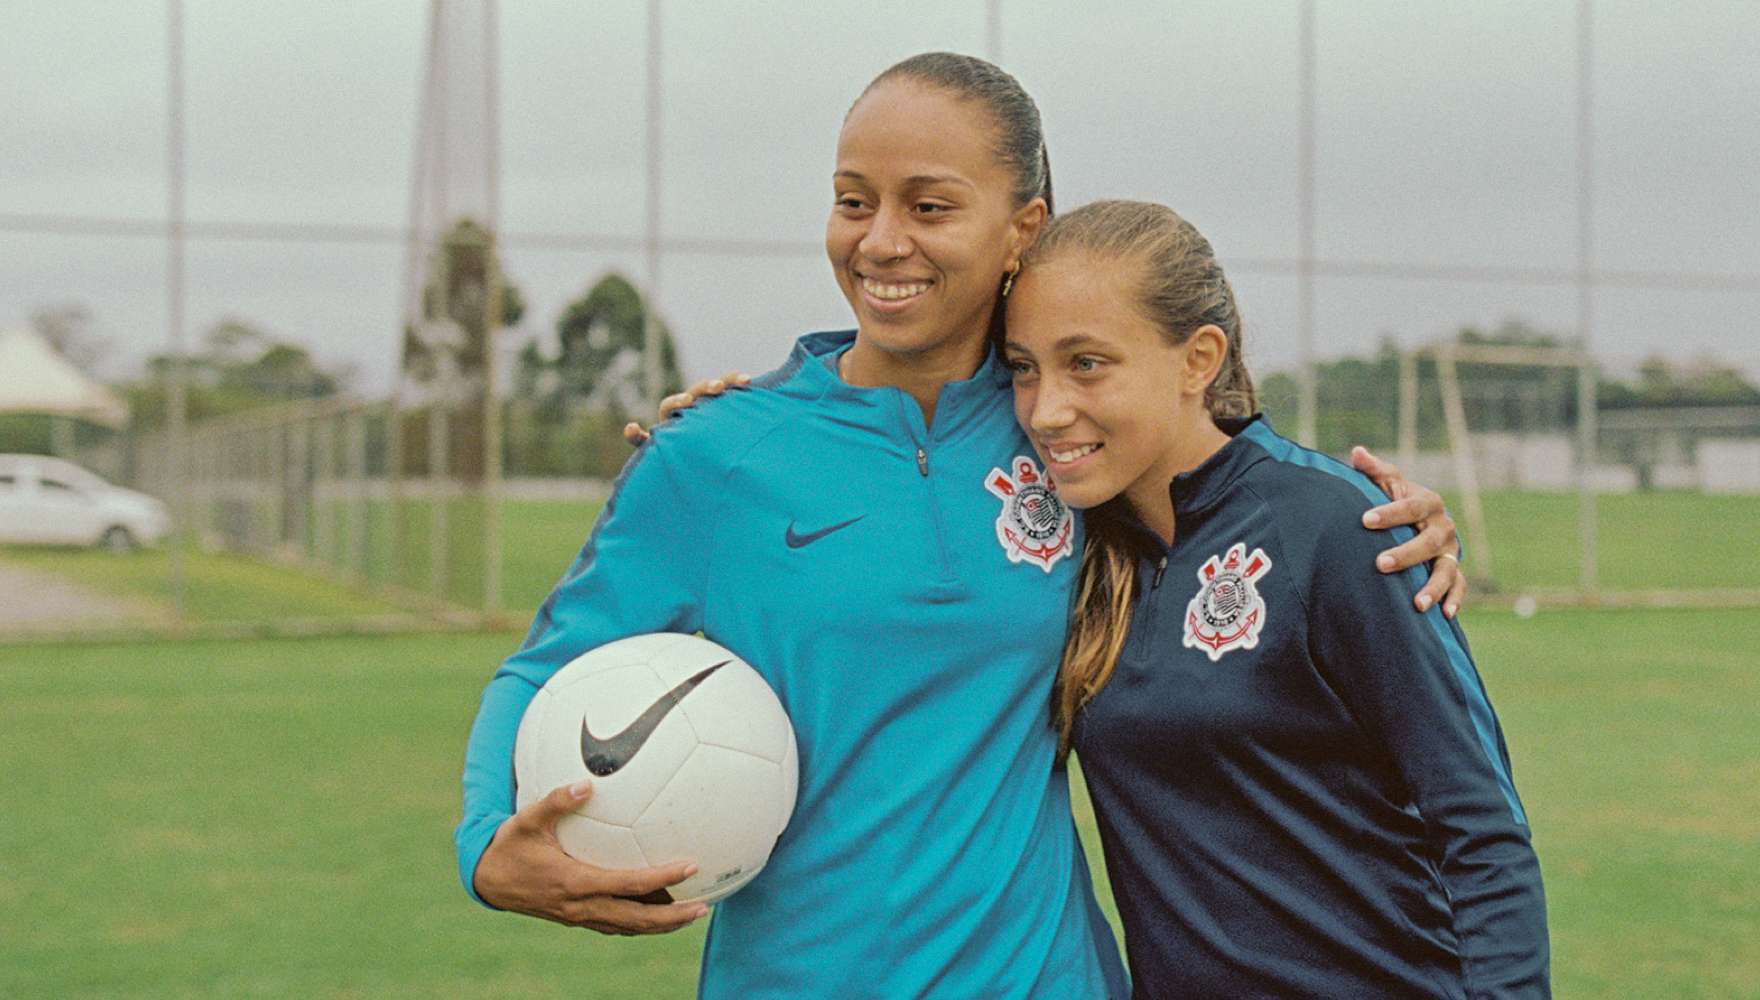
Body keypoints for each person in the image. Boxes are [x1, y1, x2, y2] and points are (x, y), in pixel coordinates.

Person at [459, 53, 1463, 997]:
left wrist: (1396, 523)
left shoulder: (1072, 439)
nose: (879, 239)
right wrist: (485, 846)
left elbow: (1249, 503)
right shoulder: (713, 456)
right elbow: (543, 670)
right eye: (853, 201)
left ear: (1022, 228)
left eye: (928, 206)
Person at [1001, 199, 1548, 997]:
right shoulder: (1070, 553)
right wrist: (751, 412)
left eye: (1087, 363)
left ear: (1198, 360)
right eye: (1023, 367)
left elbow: (1482, 828)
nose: (1045, 408)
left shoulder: (1339, 527)